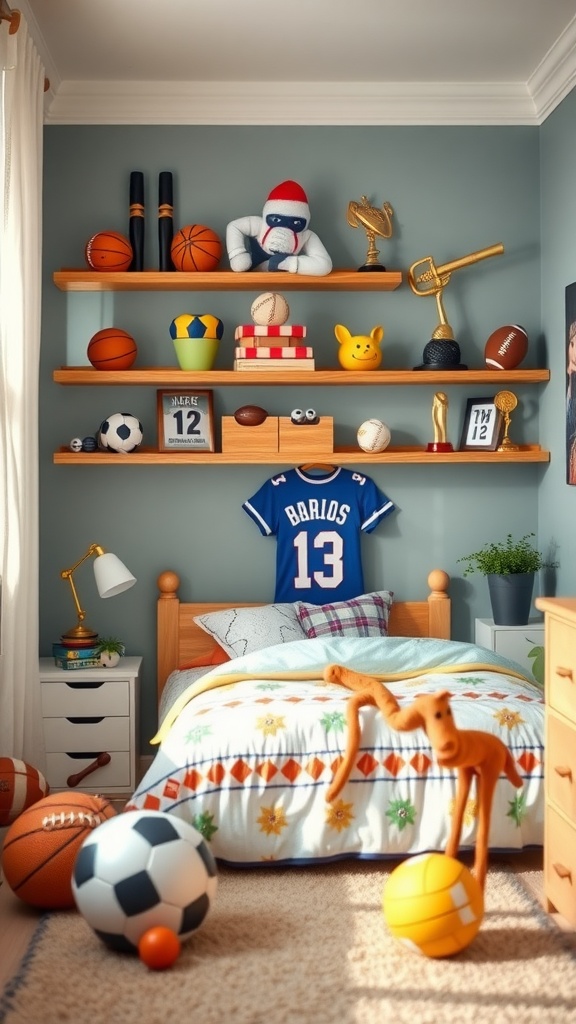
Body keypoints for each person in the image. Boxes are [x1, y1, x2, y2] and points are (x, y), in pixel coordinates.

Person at [226, 180, 332, 276]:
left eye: (296, 223)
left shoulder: (306, 235)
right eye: (276, 220)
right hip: (254, 265)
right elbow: (234, 226)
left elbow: (324, 265)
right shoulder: (260, 224)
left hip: (282, 273)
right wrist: (237, 254)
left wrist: (287, 263)